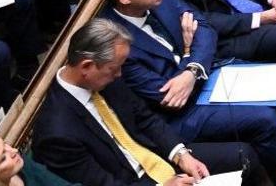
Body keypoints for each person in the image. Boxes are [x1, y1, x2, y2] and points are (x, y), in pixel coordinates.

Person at [95, 0, 276, 182]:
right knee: (265, 120)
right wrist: (188, 53)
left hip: (205, 73)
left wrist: (191, 68)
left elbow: (204, 28)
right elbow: (169, 97)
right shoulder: (114, 42)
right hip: (183, 115)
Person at [32, 19, 256, 186]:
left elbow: (145, 118)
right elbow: (100, 184)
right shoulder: (56, 132)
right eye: (115, 69)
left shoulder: (106, 77)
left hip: (157, 157)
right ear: (87, 67)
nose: (120, 75)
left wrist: (182, 155)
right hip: (131, 181)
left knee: (243, 155)